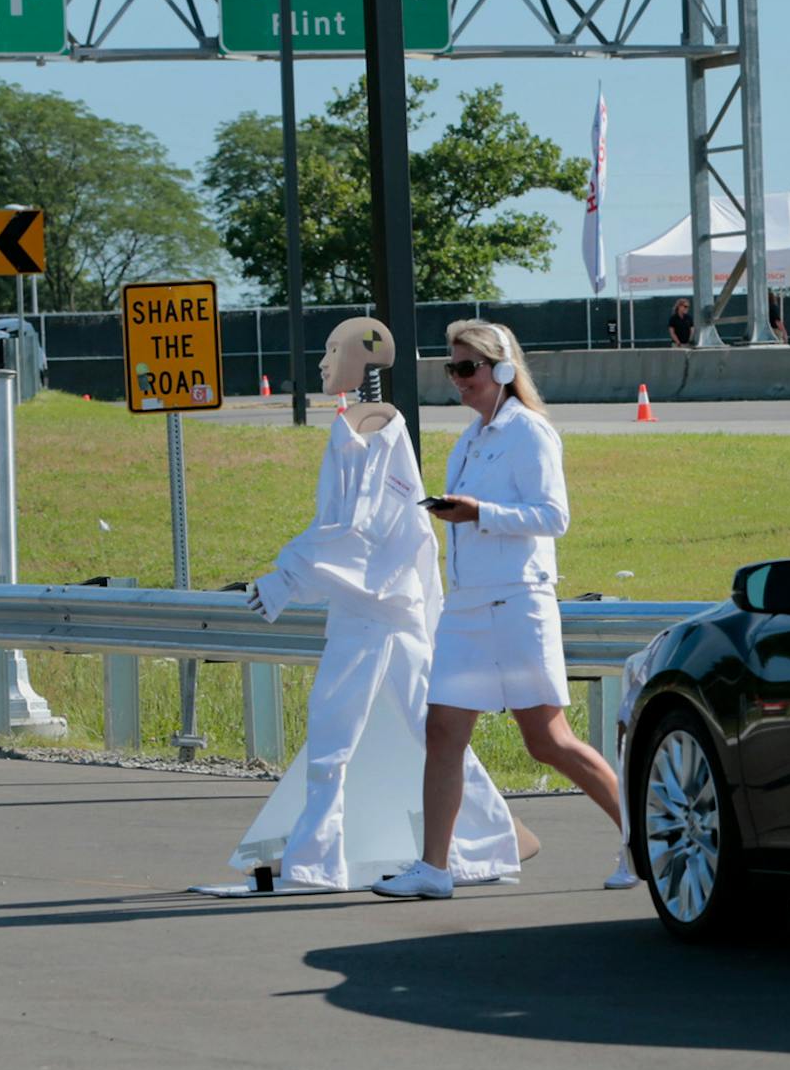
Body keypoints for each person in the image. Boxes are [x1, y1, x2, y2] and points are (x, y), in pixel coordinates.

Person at [235, 318, 521, 892]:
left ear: (363, 360)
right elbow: (352, 530)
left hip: (376, 609)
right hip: (381, 603)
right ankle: (490, 841)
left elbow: (358, 528)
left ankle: (317, 863)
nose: (322, 362)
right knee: (424, 730)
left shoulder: (376, 426)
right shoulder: (359, 424)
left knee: (336, 734)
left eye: (332, 350)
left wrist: (285, 578)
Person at [375, 320, 633, 899]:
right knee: (442, 731)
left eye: (468, 367)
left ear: (503, 370)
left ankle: (646, 840)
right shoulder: (470, 438)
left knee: (547, 740)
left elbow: (553, 516)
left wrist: (479, 512)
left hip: (518, 603)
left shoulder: (530, 432)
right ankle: (434, 870)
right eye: (453, 367)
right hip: (466, 608)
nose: (458, 379)